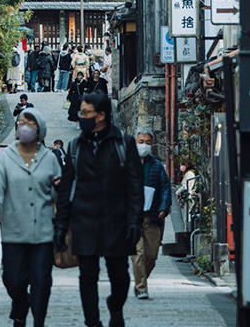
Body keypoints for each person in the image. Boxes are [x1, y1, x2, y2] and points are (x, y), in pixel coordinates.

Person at [54, 90, 143, 327]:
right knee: (87, 277)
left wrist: (134, 220)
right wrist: (61, 225)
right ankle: (92, 322)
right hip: (85, 221)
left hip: (117, 221)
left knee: (120, 277)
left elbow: (135, 187)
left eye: (85, 113)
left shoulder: (123, 143)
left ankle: (115, 305)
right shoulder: (75, 147)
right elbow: (66, 190)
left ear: (101, 115)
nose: (80, 116)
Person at [0, 108, 61, 327]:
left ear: (40, 129)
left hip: (43, 232)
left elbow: (58, 195)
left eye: (30, 123)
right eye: (21, 123)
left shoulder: (50, 158)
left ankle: (39, 322)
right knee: (13, 280)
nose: (24, 127)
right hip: (13, 231)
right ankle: (21, 304)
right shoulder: (5, 159)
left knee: (42, 281)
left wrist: (58, 189)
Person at [132, 130, 171, 301]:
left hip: (152, 216)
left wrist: (164, 206)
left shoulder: (156, 165)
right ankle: (141, 288)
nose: (144, 145)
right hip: (133, 217)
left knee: (151, 256)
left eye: (148, 142)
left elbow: (165, 187)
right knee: (137, 253)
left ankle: (141, 280)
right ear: (134, 142)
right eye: (141, 141)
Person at [176, 160, 198, 231]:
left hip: (189, 196)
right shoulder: (189, 173)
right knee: (187, 215)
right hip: (189, 196)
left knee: (187, 216)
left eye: (183, 165)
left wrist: (177, 192)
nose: (181, 167)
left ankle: (187, 232)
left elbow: (185, 186)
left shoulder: (189, 173)